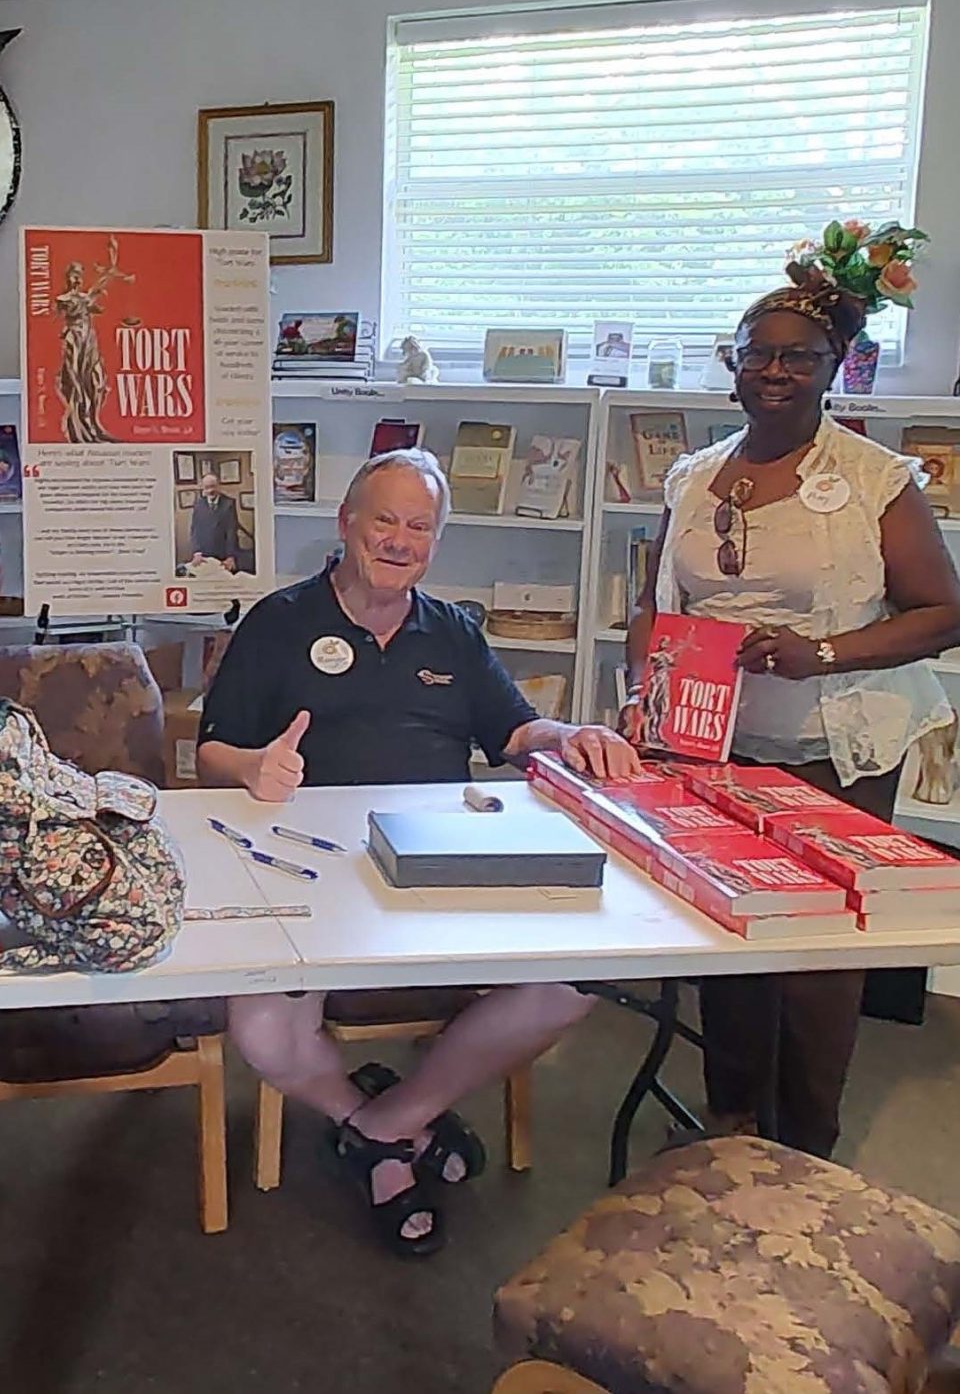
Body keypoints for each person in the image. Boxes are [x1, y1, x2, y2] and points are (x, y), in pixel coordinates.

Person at [197, 448, 639, 1255]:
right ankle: (381, 1125)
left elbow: (514, 734)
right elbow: (212, 751)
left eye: (420, 526)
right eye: (385, 520)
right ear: (346, 525)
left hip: (442, 869)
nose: (400, 540)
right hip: (314, 865)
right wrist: (253, 765)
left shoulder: (454, 631)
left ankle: (385, 1124)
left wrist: (569, 733)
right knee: (261, 1028)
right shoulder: (278, 621)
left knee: (579, 980)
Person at [626, 281, 960, 1158]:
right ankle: (732, 1122)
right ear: (732, 363)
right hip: (716, 743)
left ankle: (808, 1148)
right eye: (758, 354)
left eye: (798, 358)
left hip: (834, 749)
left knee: (818, 959)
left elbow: (941, 614)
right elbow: (654, 608)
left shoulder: (874, 481)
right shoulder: (693, 477)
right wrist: (646, 693)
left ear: (831, 369)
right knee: (731, 936)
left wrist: (820, 652)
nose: (775, 371)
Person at [188, 470, 241, 570]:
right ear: (203, 488)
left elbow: (231, 532)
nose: (210, 490)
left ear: (218, 486)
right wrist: (197, 552)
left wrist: (230, 556)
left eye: (213, 486)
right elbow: (194, 530)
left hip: (223, 555)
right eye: (207, 487)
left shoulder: (229, 504)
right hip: (203, 555)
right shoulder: (198, 505)